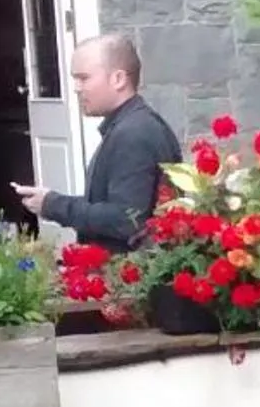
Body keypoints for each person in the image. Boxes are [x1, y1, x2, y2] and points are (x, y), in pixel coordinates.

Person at [13, 34, 177, 253]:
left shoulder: (133, 133)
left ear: (118, 79)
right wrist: (50, 202)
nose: (77, 88)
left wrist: (53, 205)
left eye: (84, 78)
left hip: (130, 278)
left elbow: (125, 220)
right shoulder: (132, 125)